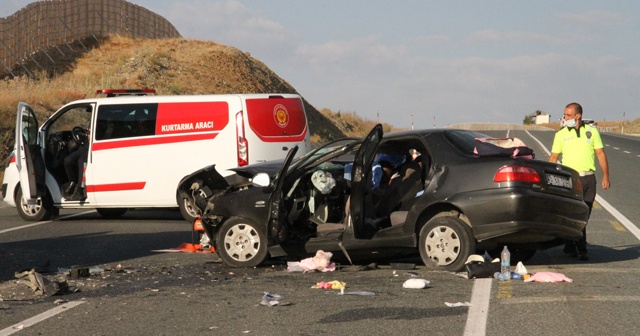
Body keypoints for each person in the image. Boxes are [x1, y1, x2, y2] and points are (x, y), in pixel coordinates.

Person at [548, 102, 610, 260]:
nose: (565, 118)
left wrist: (606, 176)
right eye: (564, 114)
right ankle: (582, 249)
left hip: (589, 179)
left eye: (568, 115)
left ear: (578, 116)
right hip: (571, 179)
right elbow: (553, 158)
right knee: (578, 215)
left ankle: (570, 244)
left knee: (585, 215)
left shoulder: (591, 132)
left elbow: (601, 154)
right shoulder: (561, 134)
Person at [63, 127, 90, 201]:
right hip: (83, 147)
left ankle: (80, 190)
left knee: (82, 166)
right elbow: (87, 134)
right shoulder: (91, 122)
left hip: (89, 148)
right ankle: (72, 180)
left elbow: (90, 137)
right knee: (67, 160)